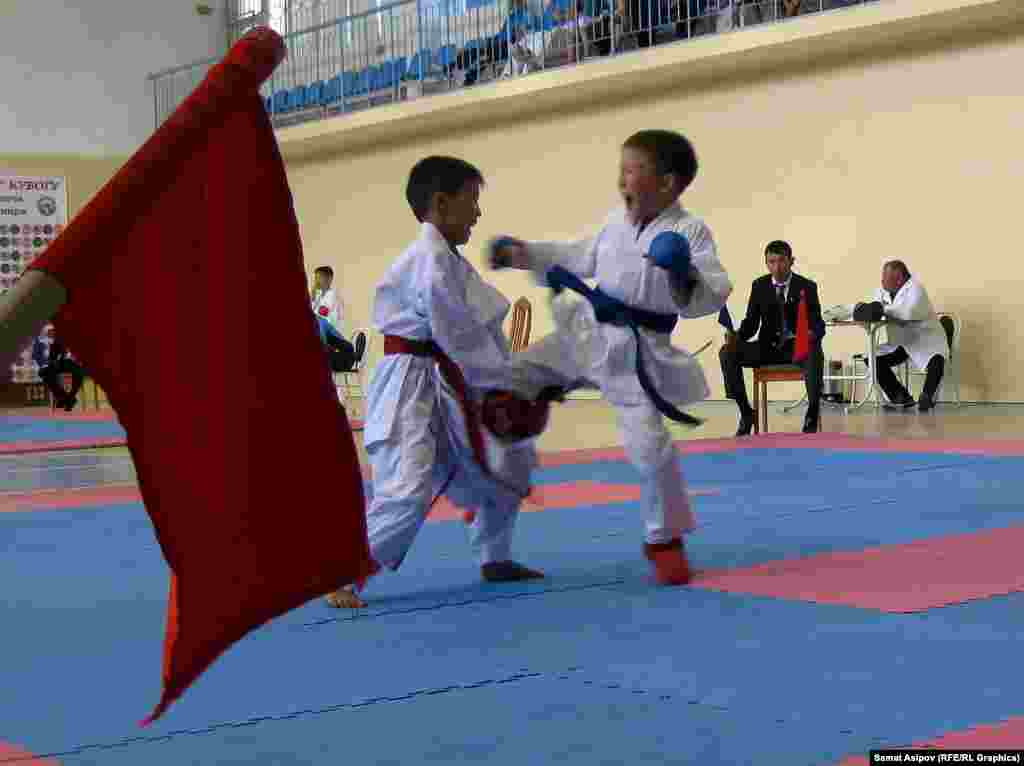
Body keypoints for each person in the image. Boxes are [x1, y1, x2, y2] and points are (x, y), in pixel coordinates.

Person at [489, 130, 732, 586]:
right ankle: (493, 484)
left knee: (651, 448)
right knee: (507, 383)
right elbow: (576, 255)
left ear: (667, 183)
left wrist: (681, 271)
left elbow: (710, 292)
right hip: (586, 333)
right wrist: (525, 254)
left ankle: (664, 539)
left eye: (631, 171)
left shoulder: (689, 231)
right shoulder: (614, 223)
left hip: (638, 352)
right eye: (621, 171)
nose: (621, 180)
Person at [324, 156, 544, 609]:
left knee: (505, 462)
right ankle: (344, 574)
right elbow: (460, 338)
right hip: (408, 384)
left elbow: (480, 329)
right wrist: (507, 381)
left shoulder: (449, 261)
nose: (478, 213)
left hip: (440, 380)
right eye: (472, 202)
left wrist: (517, 374)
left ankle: (495, 557)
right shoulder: (430, 262)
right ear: (442, 204)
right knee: (407, 486)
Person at [719, 240, 826, 435]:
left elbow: (819, 325)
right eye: (771, 262)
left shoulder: (807, 286)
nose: (777, 267)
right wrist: (736, 337)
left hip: (797, 348)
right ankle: (746, 413)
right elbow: (751, 324)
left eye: (781, 261)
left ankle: (812, 413)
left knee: (814, 350)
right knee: (727, 352)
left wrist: (812, 334)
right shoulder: (759, 285)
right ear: (766, 263)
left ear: (791, 261)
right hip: (767, 348)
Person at [869, 259, 948, 412]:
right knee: (872, 357)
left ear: (899, 279)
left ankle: (927, 396)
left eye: (885, 278)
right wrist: (877, 310)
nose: (882, 281)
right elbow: (875, 311)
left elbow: (908, 313)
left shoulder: (916, 289)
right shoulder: (881, 291)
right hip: (902, 342)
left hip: (926, 338)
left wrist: (883, 309)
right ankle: (900, 396)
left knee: (936, 359)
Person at [32, 328, 85, 412]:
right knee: (43, 372)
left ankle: (69, 398)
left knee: (79, 372)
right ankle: (65, 398)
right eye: (50, 331)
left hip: (74, 363)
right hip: (60, 363)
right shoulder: (51, 340)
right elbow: (51, 356)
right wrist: (49, 362)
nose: (52, 333)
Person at [311, 265, 344, 336]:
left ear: (329, 279)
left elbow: (322, 314)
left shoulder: (333, 296)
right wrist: (313, 297)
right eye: (316, 278)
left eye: (319, 278)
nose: (316, 281)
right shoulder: (319, 296)